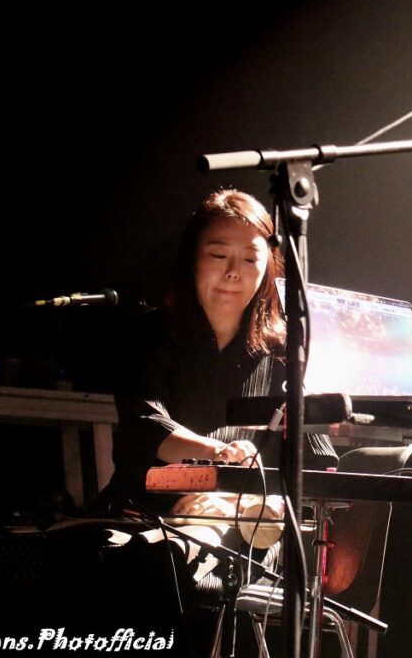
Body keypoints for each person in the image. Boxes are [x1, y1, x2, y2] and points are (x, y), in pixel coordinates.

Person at [103, 188, 337, 514]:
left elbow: (316, 458)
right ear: (192, 259)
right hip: (145, 512)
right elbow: (146, 424)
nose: (233, 272)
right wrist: (220, 455)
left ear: (268, 268)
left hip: (246, 518)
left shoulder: (288, 350)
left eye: (250, 259)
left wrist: (256, 501)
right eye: (218, 255)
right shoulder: (145, 335)